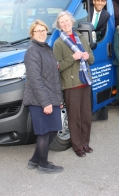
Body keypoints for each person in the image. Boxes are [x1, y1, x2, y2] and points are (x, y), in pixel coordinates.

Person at [23, 20, 64, 174]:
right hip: (38, 100)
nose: (41, 33)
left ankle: (35, 160)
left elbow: (54, 77)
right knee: (45, 132)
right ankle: (43, 164)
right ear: (32, 34)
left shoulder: (46, 49)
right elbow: (35, 79)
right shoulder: (32, 51)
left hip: (50, 96)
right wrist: (45, 103)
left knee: (53, 130)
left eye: (43, 30)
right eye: (37, 31)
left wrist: (59, 99)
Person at [53, 11, 95, 157]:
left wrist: (87, 56)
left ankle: (85, 143)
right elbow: (57, 66)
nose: (65, 24)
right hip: (71, 85)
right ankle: (77, 146)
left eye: (67, 21)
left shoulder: (81, 37)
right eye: (62, 22)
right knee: (74, 117)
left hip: (85, 82)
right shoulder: (58, 43)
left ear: (71, 21)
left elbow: (92, 59)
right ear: (59, 26)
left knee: (86, 116)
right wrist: (73, 58)